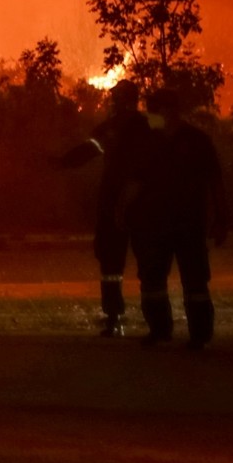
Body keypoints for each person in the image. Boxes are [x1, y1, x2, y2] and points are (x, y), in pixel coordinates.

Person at [131, 86, 228, 350]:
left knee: (195, 281)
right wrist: (124, 210)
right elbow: (138, 182)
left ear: (168, 111)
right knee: (152, 280)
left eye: (153, 111)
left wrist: (221, 219)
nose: (149, 117)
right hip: (156, 223)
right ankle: (159, 330)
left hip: (189, 223)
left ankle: (199, 335)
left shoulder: (197, 142)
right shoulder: (150, 143)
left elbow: (215, 181)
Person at [54, 79, 150, 336]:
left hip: (127, 199)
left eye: (117, 97)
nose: (113, 101)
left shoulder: (121, 126)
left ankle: (117, 318)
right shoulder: (142, 124)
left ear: (126, 99)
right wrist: (63, 161)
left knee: (117, 260)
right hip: (139, 200)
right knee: (126, 260)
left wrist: (61, 162)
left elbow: (88, 150)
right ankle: (142, 320)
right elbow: (89, 149)